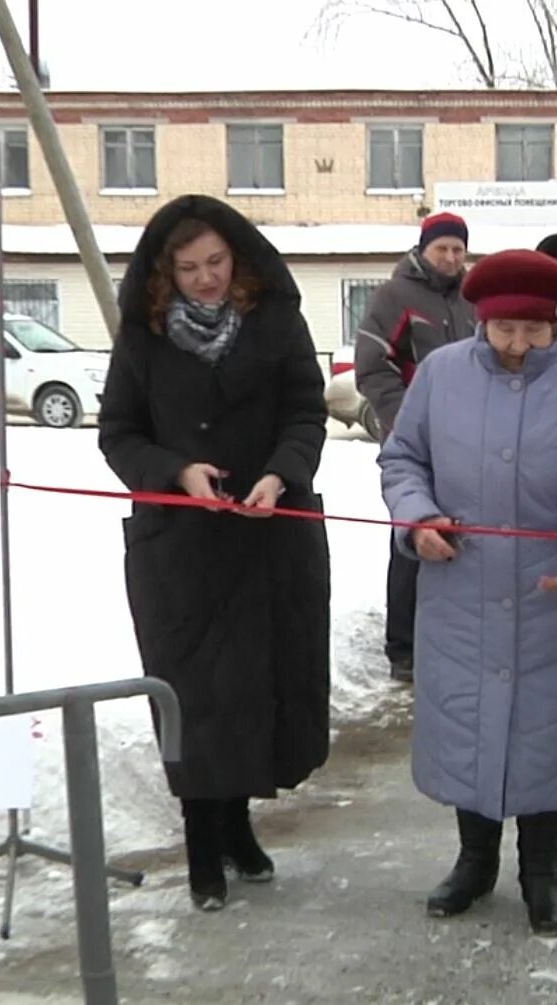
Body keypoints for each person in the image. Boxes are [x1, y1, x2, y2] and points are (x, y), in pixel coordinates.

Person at [378, 249, 557, 938]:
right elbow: (403, 459)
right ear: (481, 323)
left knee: (543, 734)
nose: (520, 345)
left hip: (554, 591)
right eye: (505, 332)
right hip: (462, 587)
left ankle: (541, 871)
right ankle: (474, 860)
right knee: (469, 725)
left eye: (535, 331)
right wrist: (417, 518)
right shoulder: (439, 376)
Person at [99, 194, 332, 913]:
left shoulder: (279, 323)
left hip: (269, 532)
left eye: (216, 263)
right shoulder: (143, 337)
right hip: (182, 547)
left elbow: (305, 410)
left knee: (258, 686)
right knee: (195, 696)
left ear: (240, 260)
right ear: (166, 271)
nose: (205, 278)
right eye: (189, 266)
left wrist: (281, 470)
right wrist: (176, 470)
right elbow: (118, 432)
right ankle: (203, 839)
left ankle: (238, 824)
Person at [355, 213, 477, 683]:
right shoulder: (395, 295)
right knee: (412, 535)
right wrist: (410, 420)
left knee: (461, 533)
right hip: (413, 443)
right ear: (423, 248)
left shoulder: (472, 299)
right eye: (441, 248)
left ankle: (452, 635)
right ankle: (402, 646)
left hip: (468, 439)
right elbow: (372, 365)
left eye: (457, 250)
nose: (450, 258)